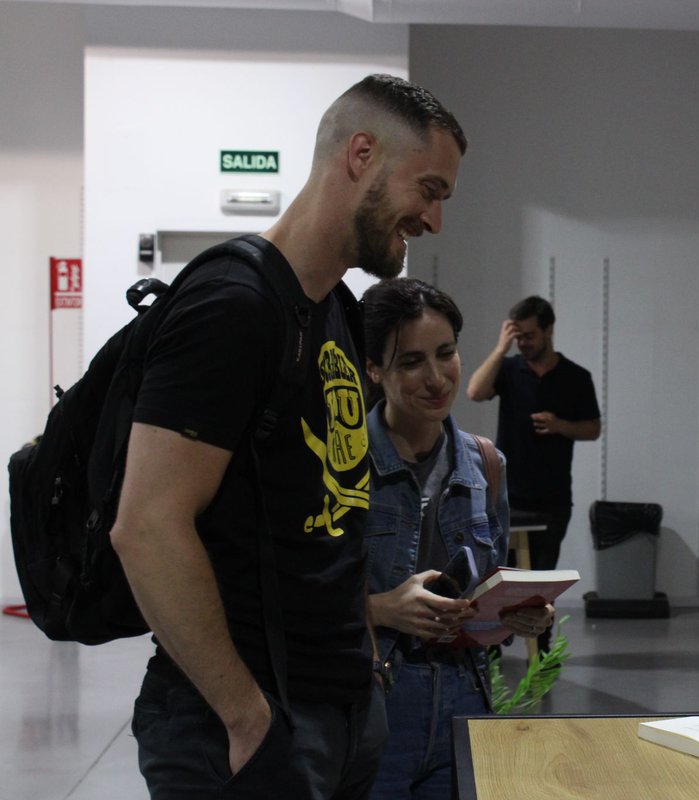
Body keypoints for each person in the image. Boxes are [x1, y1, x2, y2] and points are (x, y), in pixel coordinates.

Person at [110, 74, 467, 799]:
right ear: (361, 154)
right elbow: (146, 526)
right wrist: (247, 719)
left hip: (337, 711)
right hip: (240, 727)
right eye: (428, 189)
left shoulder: (334, 309)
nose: (434, 219)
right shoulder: (232, 305)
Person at [361, 278, 553, 800]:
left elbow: (485, 591)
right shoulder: (344, 464)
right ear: (375, 370)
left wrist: (517, 613)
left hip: (464, 702)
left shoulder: (486, 464)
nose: (436, 378)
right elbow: (298, 597)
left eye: (446, 354)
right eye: (410, 362)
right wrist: (380, 607)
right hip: (372, 704)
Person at [465, 296, 601, 649]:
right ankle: (491, 652)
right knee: (498, 582)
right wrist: (500, 348)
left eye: (529, 335)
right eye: (518, 336)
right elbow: (475, 391)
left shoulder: (575, 377)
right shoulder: (509, 370)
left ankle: (539, 655)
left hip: (553, 498)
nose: (523, 342)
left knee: (541, 586)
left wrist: (560, 425)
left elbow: (593, 428)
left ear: (549, 330)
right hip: (505, 497)